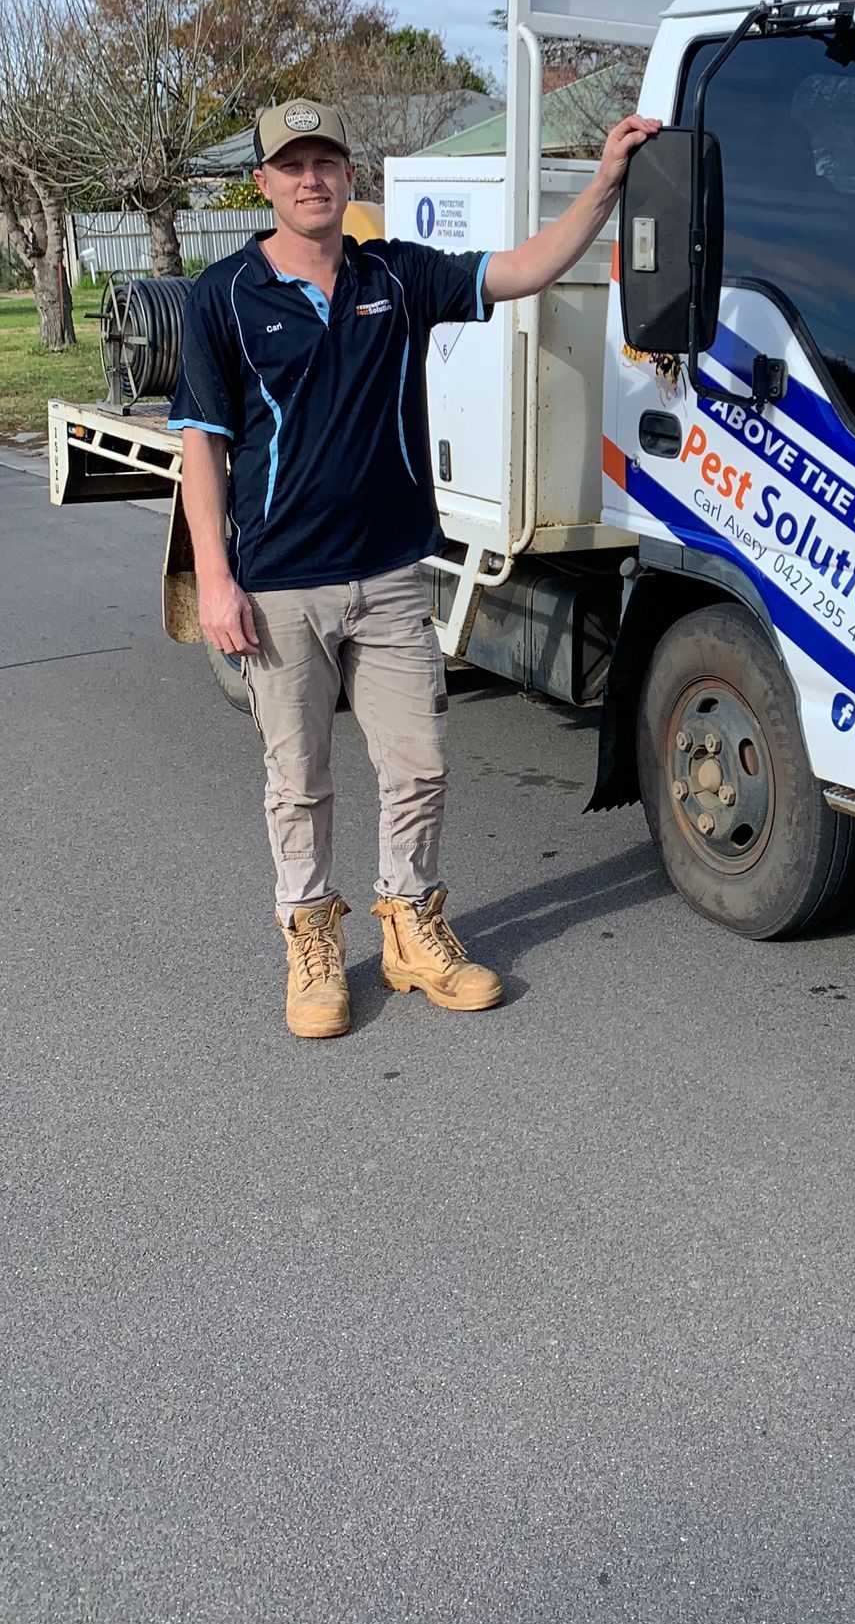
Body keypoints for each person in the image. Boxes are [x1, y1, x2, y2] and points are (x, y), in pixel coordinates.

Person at [171, 96, 658, 1039]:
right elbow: (203, 445)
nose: (312, 179)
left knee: (420, 766)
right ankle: (311, 938)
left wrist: (604, 185)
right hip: (280, 583)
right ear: (265, 183)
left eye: (328, 161)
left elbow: (522, 269)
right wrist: (216, 578)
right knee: (299, 778)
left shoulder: (398, 275)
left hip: (392, 575)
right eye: (293, 165)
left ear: (350, 176)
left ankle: (411, 928)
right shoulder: (222, 297)